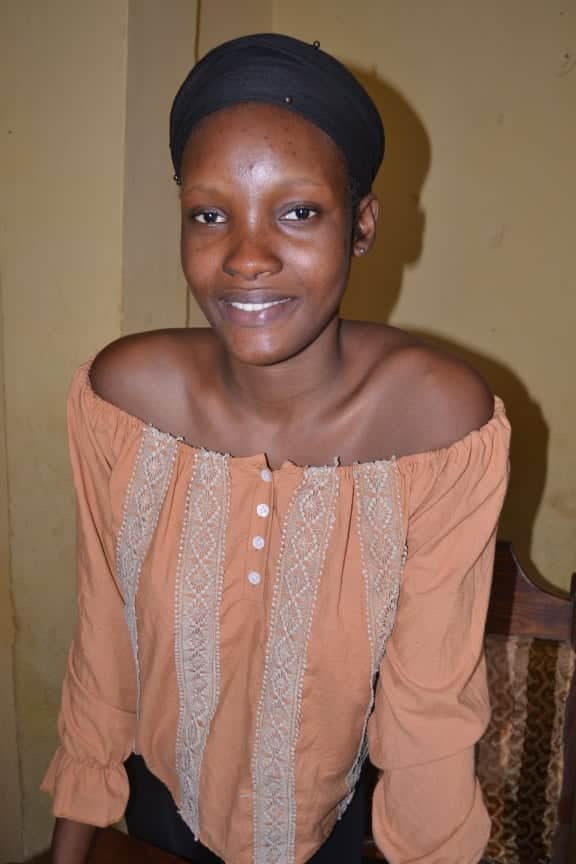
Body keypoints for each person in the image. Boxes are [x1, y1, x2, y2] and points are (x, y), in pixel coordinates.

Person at [42, 33, 510, 864]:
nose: (247, 257)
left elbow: (428, 717)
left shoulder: (437, 425)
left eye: (298, 212)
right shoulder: (125, 402)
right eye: (209, 214)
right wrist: (69, 848)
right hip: (157, 820)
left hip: (339, 831)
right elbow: (103, 645)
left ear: (362, 224)